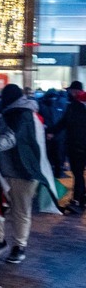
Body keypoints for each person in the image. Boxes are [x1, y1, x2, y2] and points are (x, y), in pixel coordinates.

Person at [0, 84, 51, 263]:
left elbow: (11, 139)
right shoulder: (13, 113)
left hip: (23, 171)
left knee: (20, 210)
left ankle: (19, 246)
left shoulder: (22, 114)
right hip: (2, 169)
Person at [49, 81, 86, 212]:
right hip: (78, 144)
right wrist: (53, 131)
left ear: (75, 91)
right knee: (79, 173)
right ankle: (81, 199)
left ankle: (76, 201)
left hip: (78, 145)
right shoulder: (76, 104)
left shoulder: (77, 106)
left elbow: (67, 123)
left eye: (70, 90)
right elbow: (65, 122)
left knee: (78, 173)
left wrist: (52, 131)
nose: (68, 92)